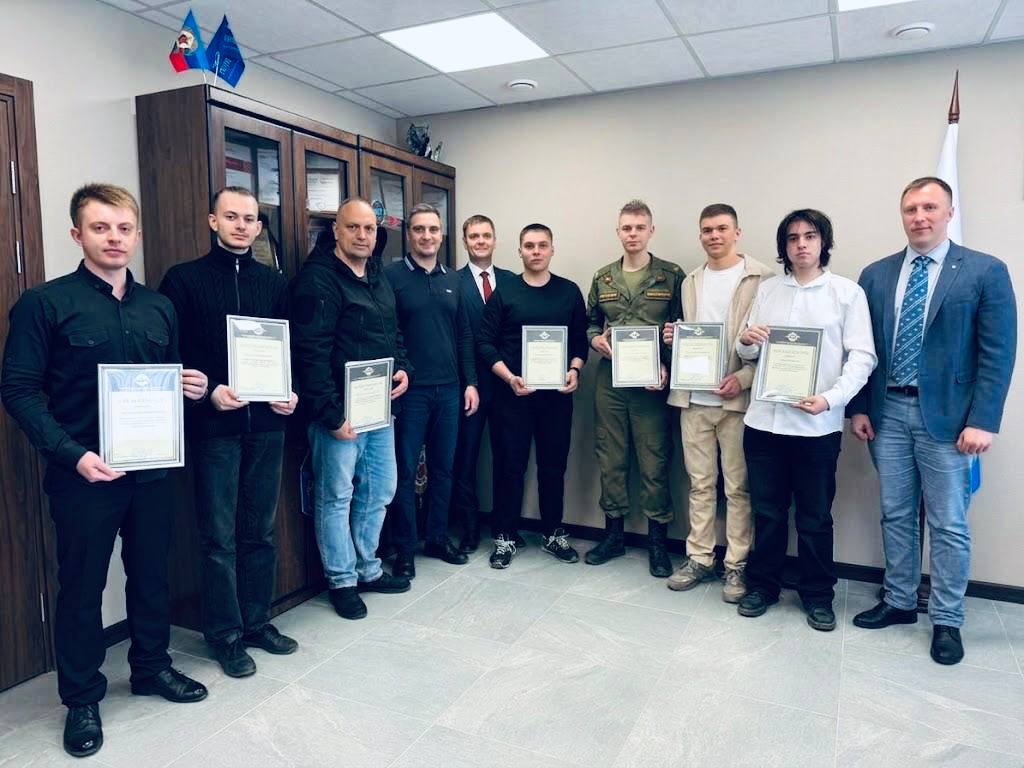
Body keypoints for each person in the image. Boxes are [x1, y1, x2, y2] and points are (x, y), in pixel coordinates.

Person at [1, 184, 209, 758]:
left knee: (151, 574)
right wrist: (70, 453)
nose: (113, 238)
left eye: (123, 228)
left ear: (136, 235)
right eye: (100, 228)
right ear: (77, 234)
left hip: (152, 473)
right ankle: (82, 698)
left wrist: (190, 386)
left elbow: (165, 380)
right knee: (82, 586)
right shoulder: (45, 304)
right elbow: (18, 390)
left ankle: (151, 667)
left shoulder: (158, 308)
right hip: (83, 474)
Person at [848, 177, 1017, 665]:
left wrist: (983, 420)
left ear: (949, 212)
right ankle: (900, 601)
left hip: (950, 419)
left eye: (929, 207)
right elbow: (862, 350)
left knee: (948, 523)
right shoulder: (876, 274)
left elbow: (998, 352)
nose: (919, 217)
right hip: (888, 412)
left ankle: (947, 619)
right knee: (896, 513)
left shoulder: (985, 270)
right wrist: (859, 406)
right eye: (910, 209)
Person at [158, 186, 299, 678]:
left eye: (250, 219)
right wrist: (210, 391)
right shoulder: (183, 280)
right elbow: (171, 352)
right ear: (212, 221)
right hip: (214, 425)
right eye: (231, 216)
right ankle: (225, 634)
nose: (241, 226)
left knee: (260, 531)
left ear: (259, 227)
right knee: (218, 537)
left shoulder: (274, 283)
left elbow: (291, 349)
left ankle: (257, 621)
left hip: (267, 424)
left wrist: (292, 392)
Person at [734, 209, 876, 631]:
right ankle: (763, 586)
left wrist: (831, 399)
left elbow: (863, 358)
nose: (801, 244)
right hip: (764, 423)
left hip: (816, 427)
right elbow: (748, 351)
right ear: (784, 246)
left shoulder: (846, 293)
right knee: (768, 513)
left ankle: (817, 595)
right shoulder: (768, 290)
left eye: (810, 236)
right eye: (793, 238)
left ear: (823, 243)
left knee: (815, 518)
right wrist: (746, 341)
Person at [290, 197, 412, 620]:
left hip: (378, 407)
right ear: (336, 231)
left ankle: (367, 568)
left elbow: (394, 333)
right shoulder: (317, 280)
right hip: (338, 413)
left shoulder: (377, 275)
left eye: (369, 228)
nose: (363, 235)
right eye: (353, 227)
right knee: (336, 496)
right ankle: (342, 580)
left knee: (380, 490)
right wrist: (330, 414)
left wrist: (403, 368)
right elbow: (310, 353)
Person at [663, 204, 775, 601]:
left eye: (722, 228)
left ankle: (736, 565)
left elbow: (770, 345)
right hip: (693, 399)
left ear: (737, 232)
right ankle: (699, 558)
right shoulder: (690, 280)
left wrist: (741, 379)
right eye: (707, 230)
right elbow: (691, 334)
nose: (715, 235)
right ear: (700, 235)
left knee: (739, 488)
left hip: (736, 402)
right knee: (700, 485)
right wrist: (675, 339)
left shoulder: (762, 278)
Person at [477, 223, 589, 568]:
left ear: (552, 249)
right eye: (529, 246)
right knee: (509, 467)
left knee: (553, 467)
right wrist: (509, 378)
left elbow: (580, 340)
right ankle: (505, 536)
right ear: (520, 251)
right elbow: (485, 343)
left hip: (556, 399)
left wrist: (574, 370)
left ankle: (553, 533)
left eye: (542, 245)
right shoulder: (505, 292)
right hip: (513, 396)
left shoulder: (569, 292)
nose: (536, 251)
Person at [583, 200, 683, 577]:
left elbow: (683, 328)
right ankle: (614, 536)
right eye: (626, 227)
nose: (633, 234)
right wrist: (595, 340)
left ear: (651, 231)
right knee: (610, 457)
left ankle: (657, 542)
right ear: (618, 231)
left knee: (655, 460)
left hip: (651, 384)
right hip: (610, 381)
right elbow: (591, 323)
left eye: (640, 227)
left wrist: (667, 365)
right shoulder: (603, 277)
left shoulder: (670, 276)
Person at [385, 203, 478, 578]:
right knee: (406, 472)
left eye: (433, 229)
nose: (427, 236)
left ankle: (437, 538)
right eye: (419, 229)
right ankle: (405, 548)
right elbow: (388, 332)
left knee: (444, 469)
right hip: (410, 393)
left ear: (442, 235)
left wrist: (471, 382)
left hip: (450, 391)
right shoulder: (391, 277)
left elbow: (464, 335)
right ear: (409, 234)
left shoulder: (453, 279)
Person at [450, 214, 515, 553]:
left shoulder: (512, 281)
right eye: (473, 236)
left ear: (494, 239)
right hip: (469, 385)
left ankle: (506, 527)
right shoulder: (453, 282)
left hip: (507, 385)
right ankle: (470, 528)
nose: (480, 241)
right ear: (465, 241)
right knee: (466, 458)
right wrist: (469, 381)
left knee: (507, 458)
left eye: (486, 235)